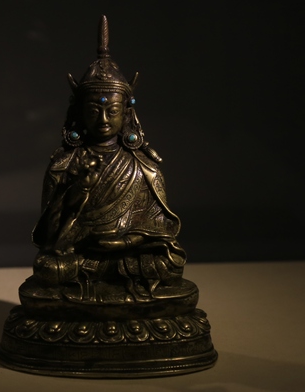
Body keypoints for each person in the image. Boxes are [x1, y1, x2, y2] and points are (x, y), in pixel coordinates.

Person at [30, 17, 187, 302]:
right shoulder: (64, 166)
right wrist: (74, 192)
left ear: (126, 113)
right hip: (80, 257)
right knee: (47, 268)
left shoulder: (143, 167)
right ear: (80, 114)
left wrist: (124, 242)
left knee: (168, 265)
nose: (103, 119)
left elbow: (162, 230)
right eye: (93, 111)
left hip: (126, 258)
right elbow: (49, 239)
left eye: (112, 111)